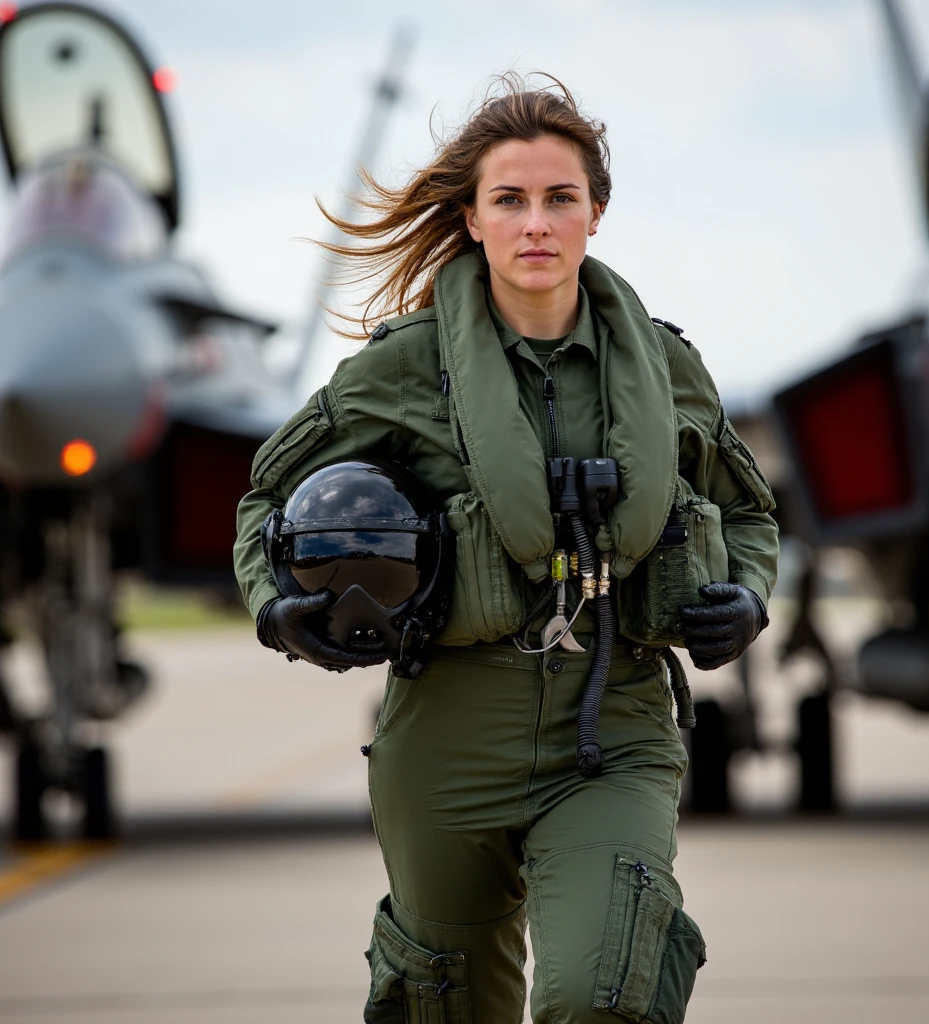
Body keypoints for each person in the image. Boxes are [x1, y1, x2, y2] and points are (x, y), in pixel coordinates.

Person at [234, 74, 779, 1024]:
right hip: (447, 731)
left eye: (560, 198)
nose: (537, 223)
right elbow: (268, 498)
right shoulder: (400, 367)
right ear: (475, 219)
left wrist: (752, 597)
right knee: (444, 1004)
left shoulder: (667, 367)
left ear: (596, 214)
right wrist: (276, 610)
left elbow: (748, 511)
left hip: (614, 729)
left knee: (600, 995)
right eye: (510, 200)